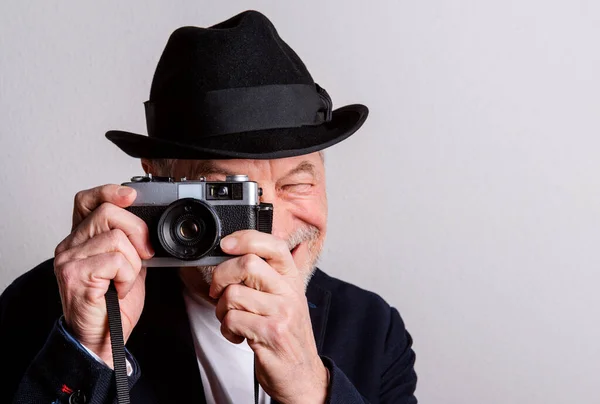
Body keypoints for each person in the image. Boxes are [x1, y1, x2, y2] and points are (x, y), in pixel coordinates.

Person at [0, 9, 418, 404]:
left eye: (298, 183)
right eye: (227, 191)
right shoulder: (51, 306)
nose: (267, 229)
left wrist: (309, 386)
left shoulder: (374, 330)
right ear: (155, 177)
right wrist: (90, 349)